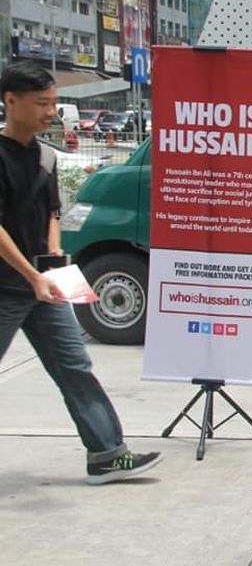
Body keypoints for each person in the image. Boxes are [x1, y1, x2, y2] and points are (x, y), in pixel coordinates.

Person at [0, 61, 162, 485]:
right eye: (41, 104)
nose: (50, 112)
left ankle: (107, 454)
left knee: (75, 365)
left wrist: (52, 254)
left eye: (54, 103)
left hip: (45, 285)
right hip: (8, 286)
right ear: (10, 101)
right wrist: (31, 276)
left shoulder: (46, 156)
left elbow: (52, 209)